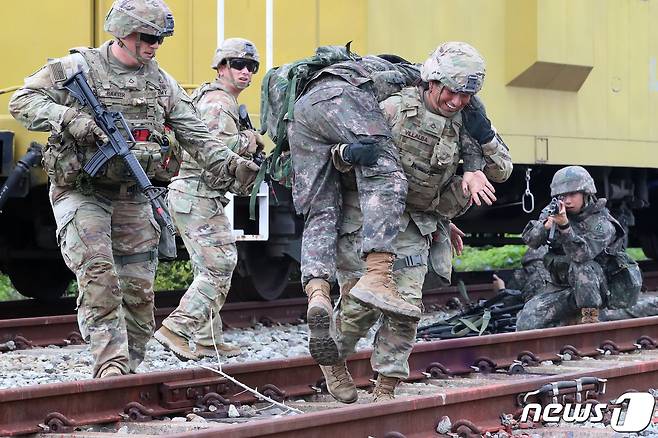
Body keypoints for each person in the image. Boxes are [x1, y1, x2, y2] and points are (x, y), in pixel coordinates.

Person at [8, 0, 258, 378]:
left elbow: (195, 135)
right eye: (148, 37)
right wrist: (69, 119)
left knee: (139, 292)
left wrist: (231, 165)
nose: (155, 45)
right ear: (123, 31)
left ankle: (127, 370)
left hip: (133, 195)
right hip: (82, 191)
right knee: (98, 276)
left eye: (160, 39)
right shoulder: (79, 68)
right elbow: (21, 100)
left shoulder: (162, 83)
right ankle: (109, 365)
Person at [316, 42, 513, 403]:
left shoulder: (467, 122)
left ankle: (385, 389)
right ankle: (333, 361)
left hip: (414, 224)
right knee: (360, 305)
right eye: (451, 92)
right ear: (432, 82)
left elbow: (502, 170)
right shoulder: (392, 109)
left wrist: (483, 136)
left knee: (406, 308)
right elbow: (336, 158)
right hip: (367, 219)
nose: (457, 101)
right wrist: (349, 154)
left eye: (466, 95)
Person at [155, 38, 263, 360]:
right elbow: (215, 147)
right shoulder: (219, 102)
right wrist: (249, 138)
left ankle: (206, 338)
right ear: (221, 67)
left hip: (196, 194)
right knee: (221, 263)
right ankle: (178, 328)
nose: (245, 72)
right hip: (197, 193)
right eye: (237, 64)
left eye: (251, 66)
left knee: (209, 264)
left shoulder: (215, 97)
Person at [516, 166, 642, 330]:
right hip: (563, 289)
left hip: (599, 291)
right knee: (526, 322)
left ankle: (590, 319)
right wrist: (545, 227)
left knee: (582, 265)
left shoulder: (602, 223)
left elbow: (581, 255)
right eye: (563, 195)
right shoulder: (555, 212)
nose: (567, 200)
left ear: (586, 194)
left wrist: (565, 227)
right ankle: (572, 318)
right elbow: (531, 242)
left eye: (572, 194)